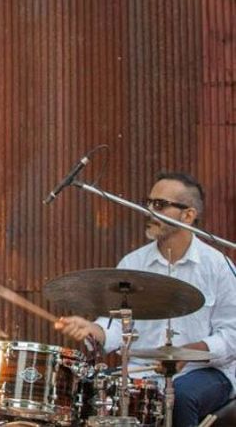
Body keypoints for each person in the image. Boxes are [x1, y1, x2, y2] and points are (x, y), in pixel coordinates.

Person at [54, 172, 236, 426]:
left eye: (160, 205)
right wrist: (93, 329)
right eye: (148, 202)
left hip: (206, 372)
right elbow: (116, 324)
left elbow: (232, 334)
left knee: (179, 397)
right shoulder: (133, 263)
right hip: (144, 371)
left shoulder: (218, 266)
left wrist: (190, 352)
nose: (149, 210)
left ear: (188, 215)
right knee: (91, 391)